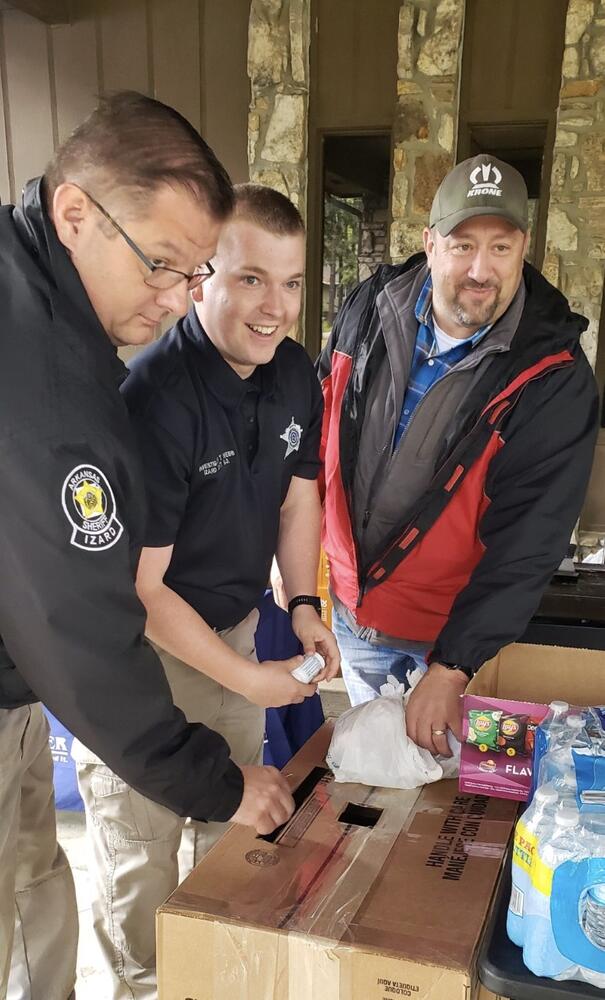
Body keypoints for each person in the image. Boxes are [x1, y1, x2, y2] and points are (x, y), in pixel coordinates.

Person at [0, 93, 297, 1000]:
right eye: (161, 265)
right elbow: (84, 623)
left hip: (18, 686)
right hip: (84, 668)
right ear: (75, 212)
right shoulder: (54, 385)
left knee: (33, 879)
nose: (177, 298)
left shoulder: (48, 299)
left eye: (193, 269)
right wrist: (212, 778)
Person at [74, 183, 340, 999]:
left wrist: (301, 605)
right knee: (143, 871)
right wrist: (256, 680)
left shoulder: (293, 368)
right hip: (139, 665)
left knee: (227, 847)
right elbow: (144, 591)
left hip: (229, 636)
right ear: (202, 279)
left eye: (291, 283)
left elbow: (299, 496)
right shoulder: (156, 398)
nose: (275, 307)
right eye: (251, 279)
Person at [318, 152, 599, 758]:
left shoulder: (554, 377)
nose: (481, 269)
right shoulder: (369, 308)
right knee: (374, 782)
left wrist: (453, 666)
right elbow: (319, 438)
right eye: (462, 243)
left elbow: (530, 541)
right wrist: (298, 579)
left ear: (524, 247)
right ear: (429, 241)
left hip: (446, 640)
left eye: (501, 247)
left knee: (435, 812)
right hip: (351, 618)